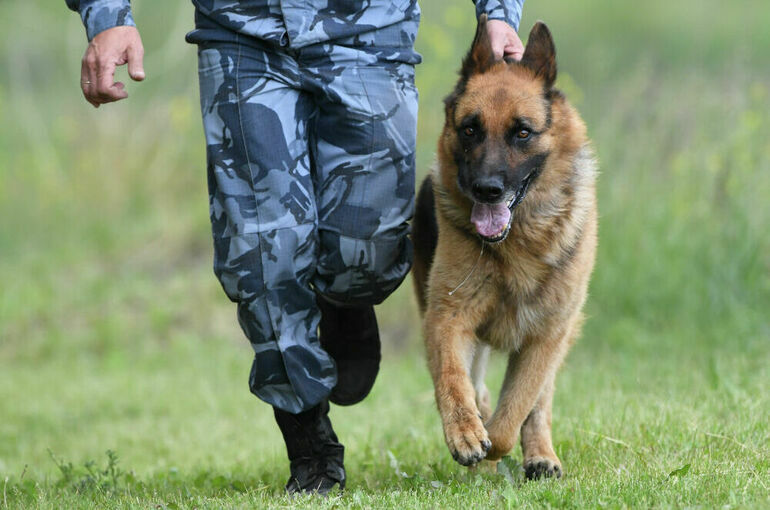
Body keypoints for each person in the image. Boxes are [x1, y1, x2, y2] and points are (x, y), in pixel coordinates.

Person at [65, 0, 525, 495]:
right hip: (242, 33)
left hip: (368, 30)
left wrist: (497, 10)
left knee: (369, 251)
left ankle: (341, 297)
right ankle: (310, 445)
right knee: (262, 257)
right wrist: (107, 14)